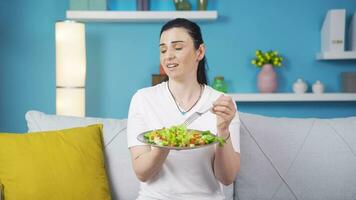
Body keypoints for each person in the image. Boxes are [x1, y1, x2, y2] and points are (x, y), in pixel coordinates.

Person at [127, 18, 240, 200]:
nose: (168, 56)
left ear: (200, 51)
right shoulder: (143, 99)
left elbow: (227, 178)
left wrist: (223, 130)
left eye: (177, 48)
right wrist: (164, 144)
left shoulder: (221, 103)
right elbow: (142, 173)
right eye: (163, 49)